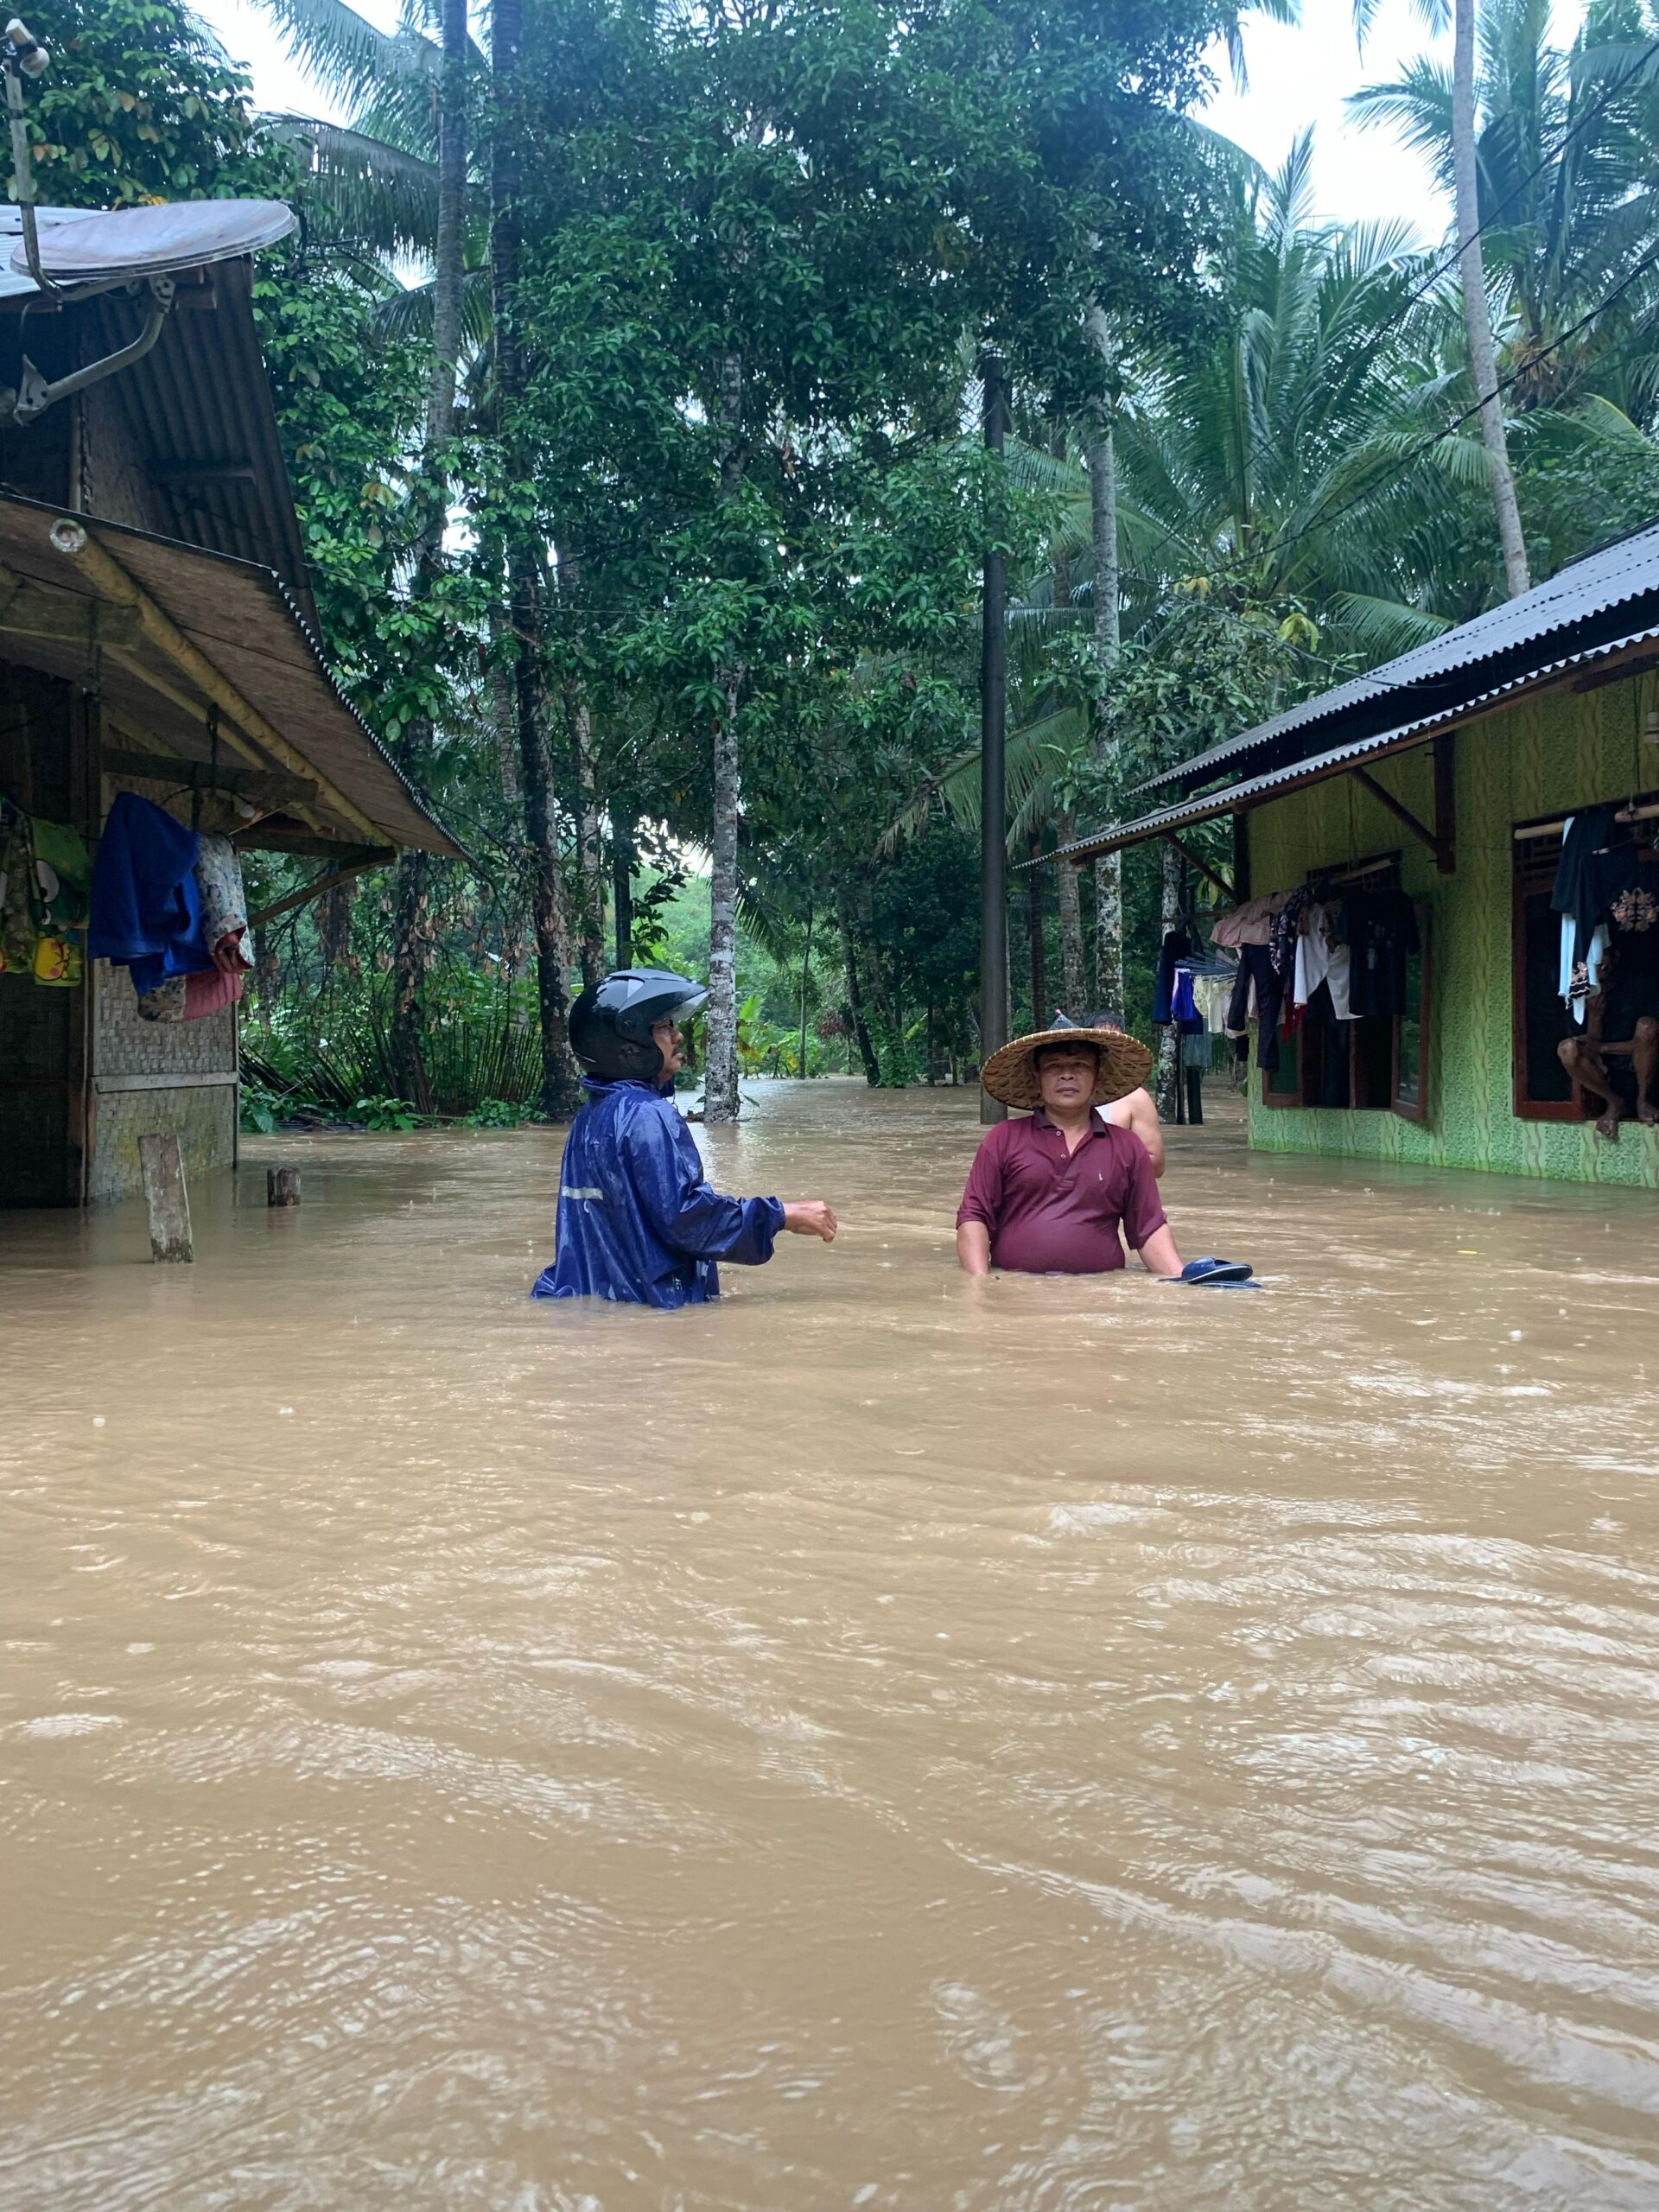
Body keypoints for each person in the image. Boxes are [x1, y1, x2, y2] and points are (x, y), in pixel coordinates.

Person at [532, 968, 837, 1308]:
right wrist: (781, 1215)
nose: (677, 1036)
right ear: (630, 1042)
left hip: (596, 1313)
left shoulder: (590, 1117)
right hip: (650, 1318)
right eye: (663, 1027)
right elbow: (686, 1219)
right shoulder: (648, 1114)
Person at [956, 1017, 1251, 1285]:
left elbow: (1148, 1229)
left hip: (1102, 1292)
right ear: (1037, 1078)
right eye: (1054, 1067)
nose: (1067, 1076)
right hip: (1016, 1289)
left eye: (1080, 1066)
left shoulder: (1127, 1145)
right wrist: (980, 1288)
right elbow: (974, 1217)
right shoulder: (1003, 1138)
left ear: (1097, 1076)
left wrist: (1180, 1280)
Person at [1080, 1005, 1164, 1176]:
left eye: (1116, 1045)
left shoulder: (1135, 1097)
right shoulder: (1064, 1093)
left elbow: (1156, 1166)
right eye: (1101, 1045)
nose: (1109, 1052)